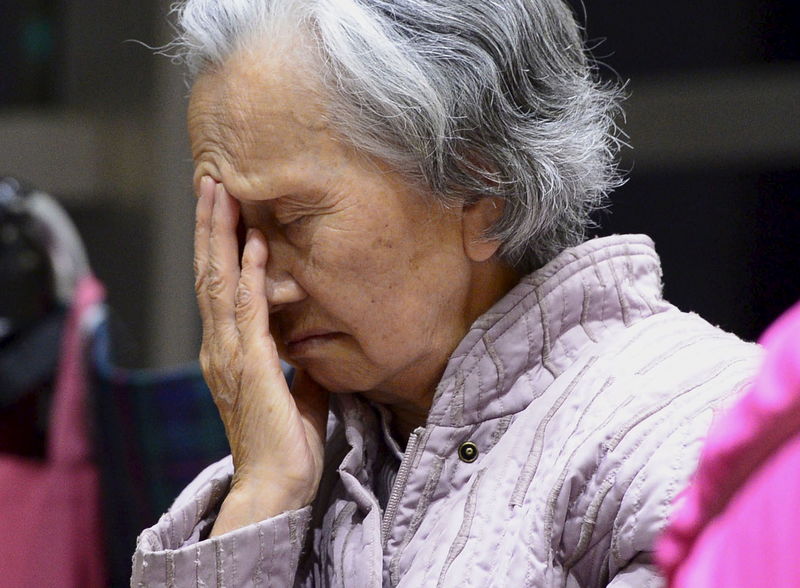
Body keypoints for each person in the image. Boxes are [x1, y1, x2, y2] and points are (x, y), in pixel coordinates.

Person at [132, 1, 761, 585]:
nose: (260, 284)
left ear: (482, 193)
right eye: (234, 228)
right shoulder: (284, 466)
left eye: (294, 218)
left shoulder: (698, 438)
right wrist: (264, 493)